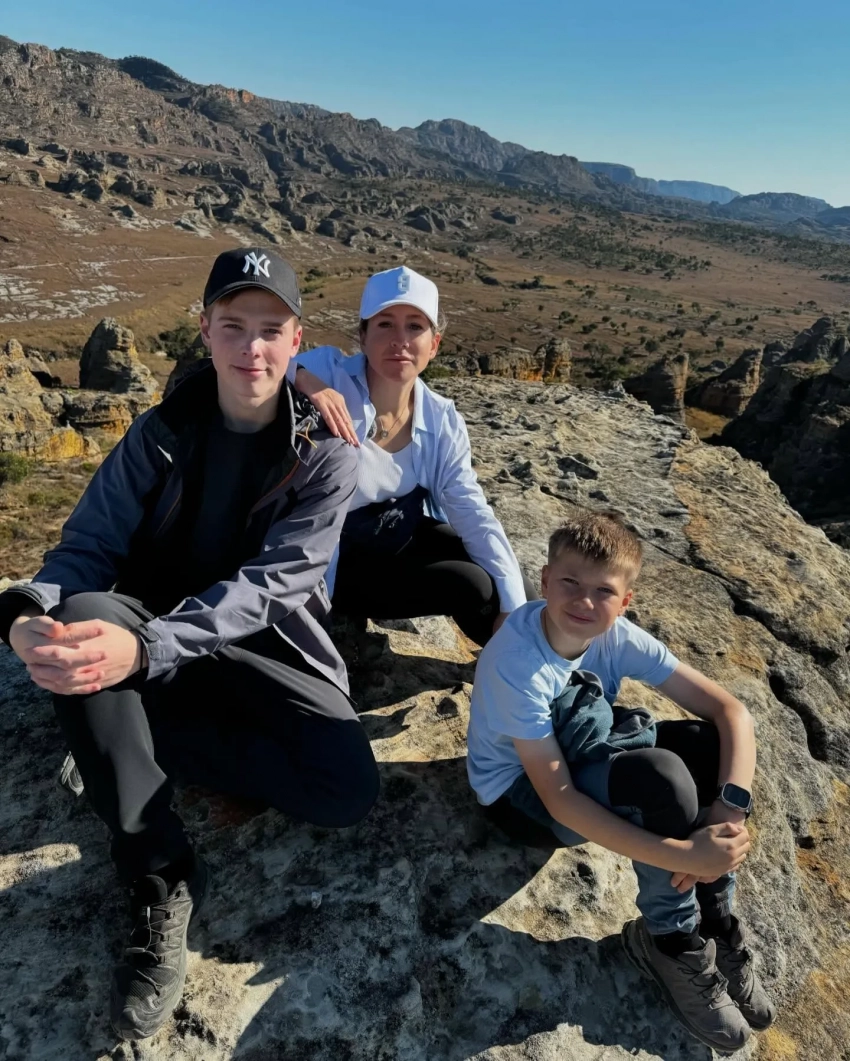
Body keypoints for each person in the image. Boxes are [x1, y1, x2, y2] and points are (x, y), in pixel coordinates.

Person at [0, 247, 379, 1041]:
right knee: (86, 610)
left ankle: (120, 741)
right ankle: (158, 868)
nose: (252, 348)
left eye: (271, 329)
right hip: (149, 624)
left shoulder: (327, 454)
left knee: (344, 787)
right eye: (233, 326)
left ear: (297, 339)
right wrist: (25, 611)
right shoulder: (161, 431)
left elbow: (271, 587)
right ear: (204, 330)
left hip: (255, 645)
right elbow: (87, 546)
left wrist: (145, 652)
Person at [466, 511, 775, 1053]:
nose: (584, 602)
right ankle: (668, 940)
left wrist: (729, 810)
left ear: (625, 601)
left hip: (580, 751)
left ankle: (714, 918)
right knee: (661, 781)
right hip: (521, 799)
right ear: (544, 581)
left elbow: (732, 713)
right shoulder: (517, 662)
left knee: (706, 746)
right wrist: (683, 854)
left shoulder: (614, 636)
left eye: (603, 591)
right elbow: (560, 801)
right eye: (570, 582)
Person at [288, 265, 535, 646]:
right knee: (472, 584)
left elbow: (470, 509)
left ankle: (538, 660)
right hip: (337, 557)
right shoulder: (330, 373)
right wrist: (305, 380)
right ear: (363, 336)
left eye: (415, 327)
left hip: (396, 532)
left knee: (515, 587)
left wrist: (513, 603)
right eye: (385, 324)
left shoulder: (440, 418)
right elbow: (262, 363)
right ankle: (527, 660)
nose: (399, 341)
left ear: (434, 344)